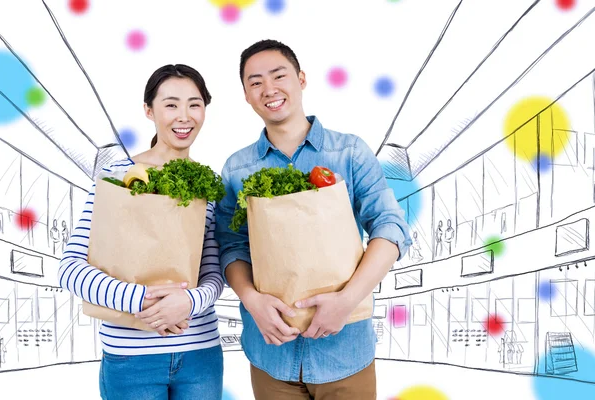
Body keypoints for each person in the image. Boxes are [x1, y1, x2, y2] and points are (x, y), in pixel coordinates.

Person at [215, 39, 411, 399]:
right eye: (255, 82)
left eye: (279, 76)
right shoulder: (237, 169)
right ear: (245, 95)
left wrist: (347, 300)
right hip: (270, 353)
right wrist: (251, 299)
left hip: (345, 351)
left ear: (301, 79)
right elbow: (231, 247)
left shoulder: (349, 152)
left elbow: (391, 228)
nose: (269, 89)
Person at [58, 64, 223, 400]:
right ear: (149, 111)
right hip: (131, 359)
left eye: (194, 104)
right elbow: (71, 269)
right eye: (171, 104)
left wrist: (188, 302)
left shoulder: (209, 185)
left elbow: (214, 273)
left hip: (200, 355)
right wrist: (142, 300)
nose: (184, 116)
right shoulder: (117, 177)